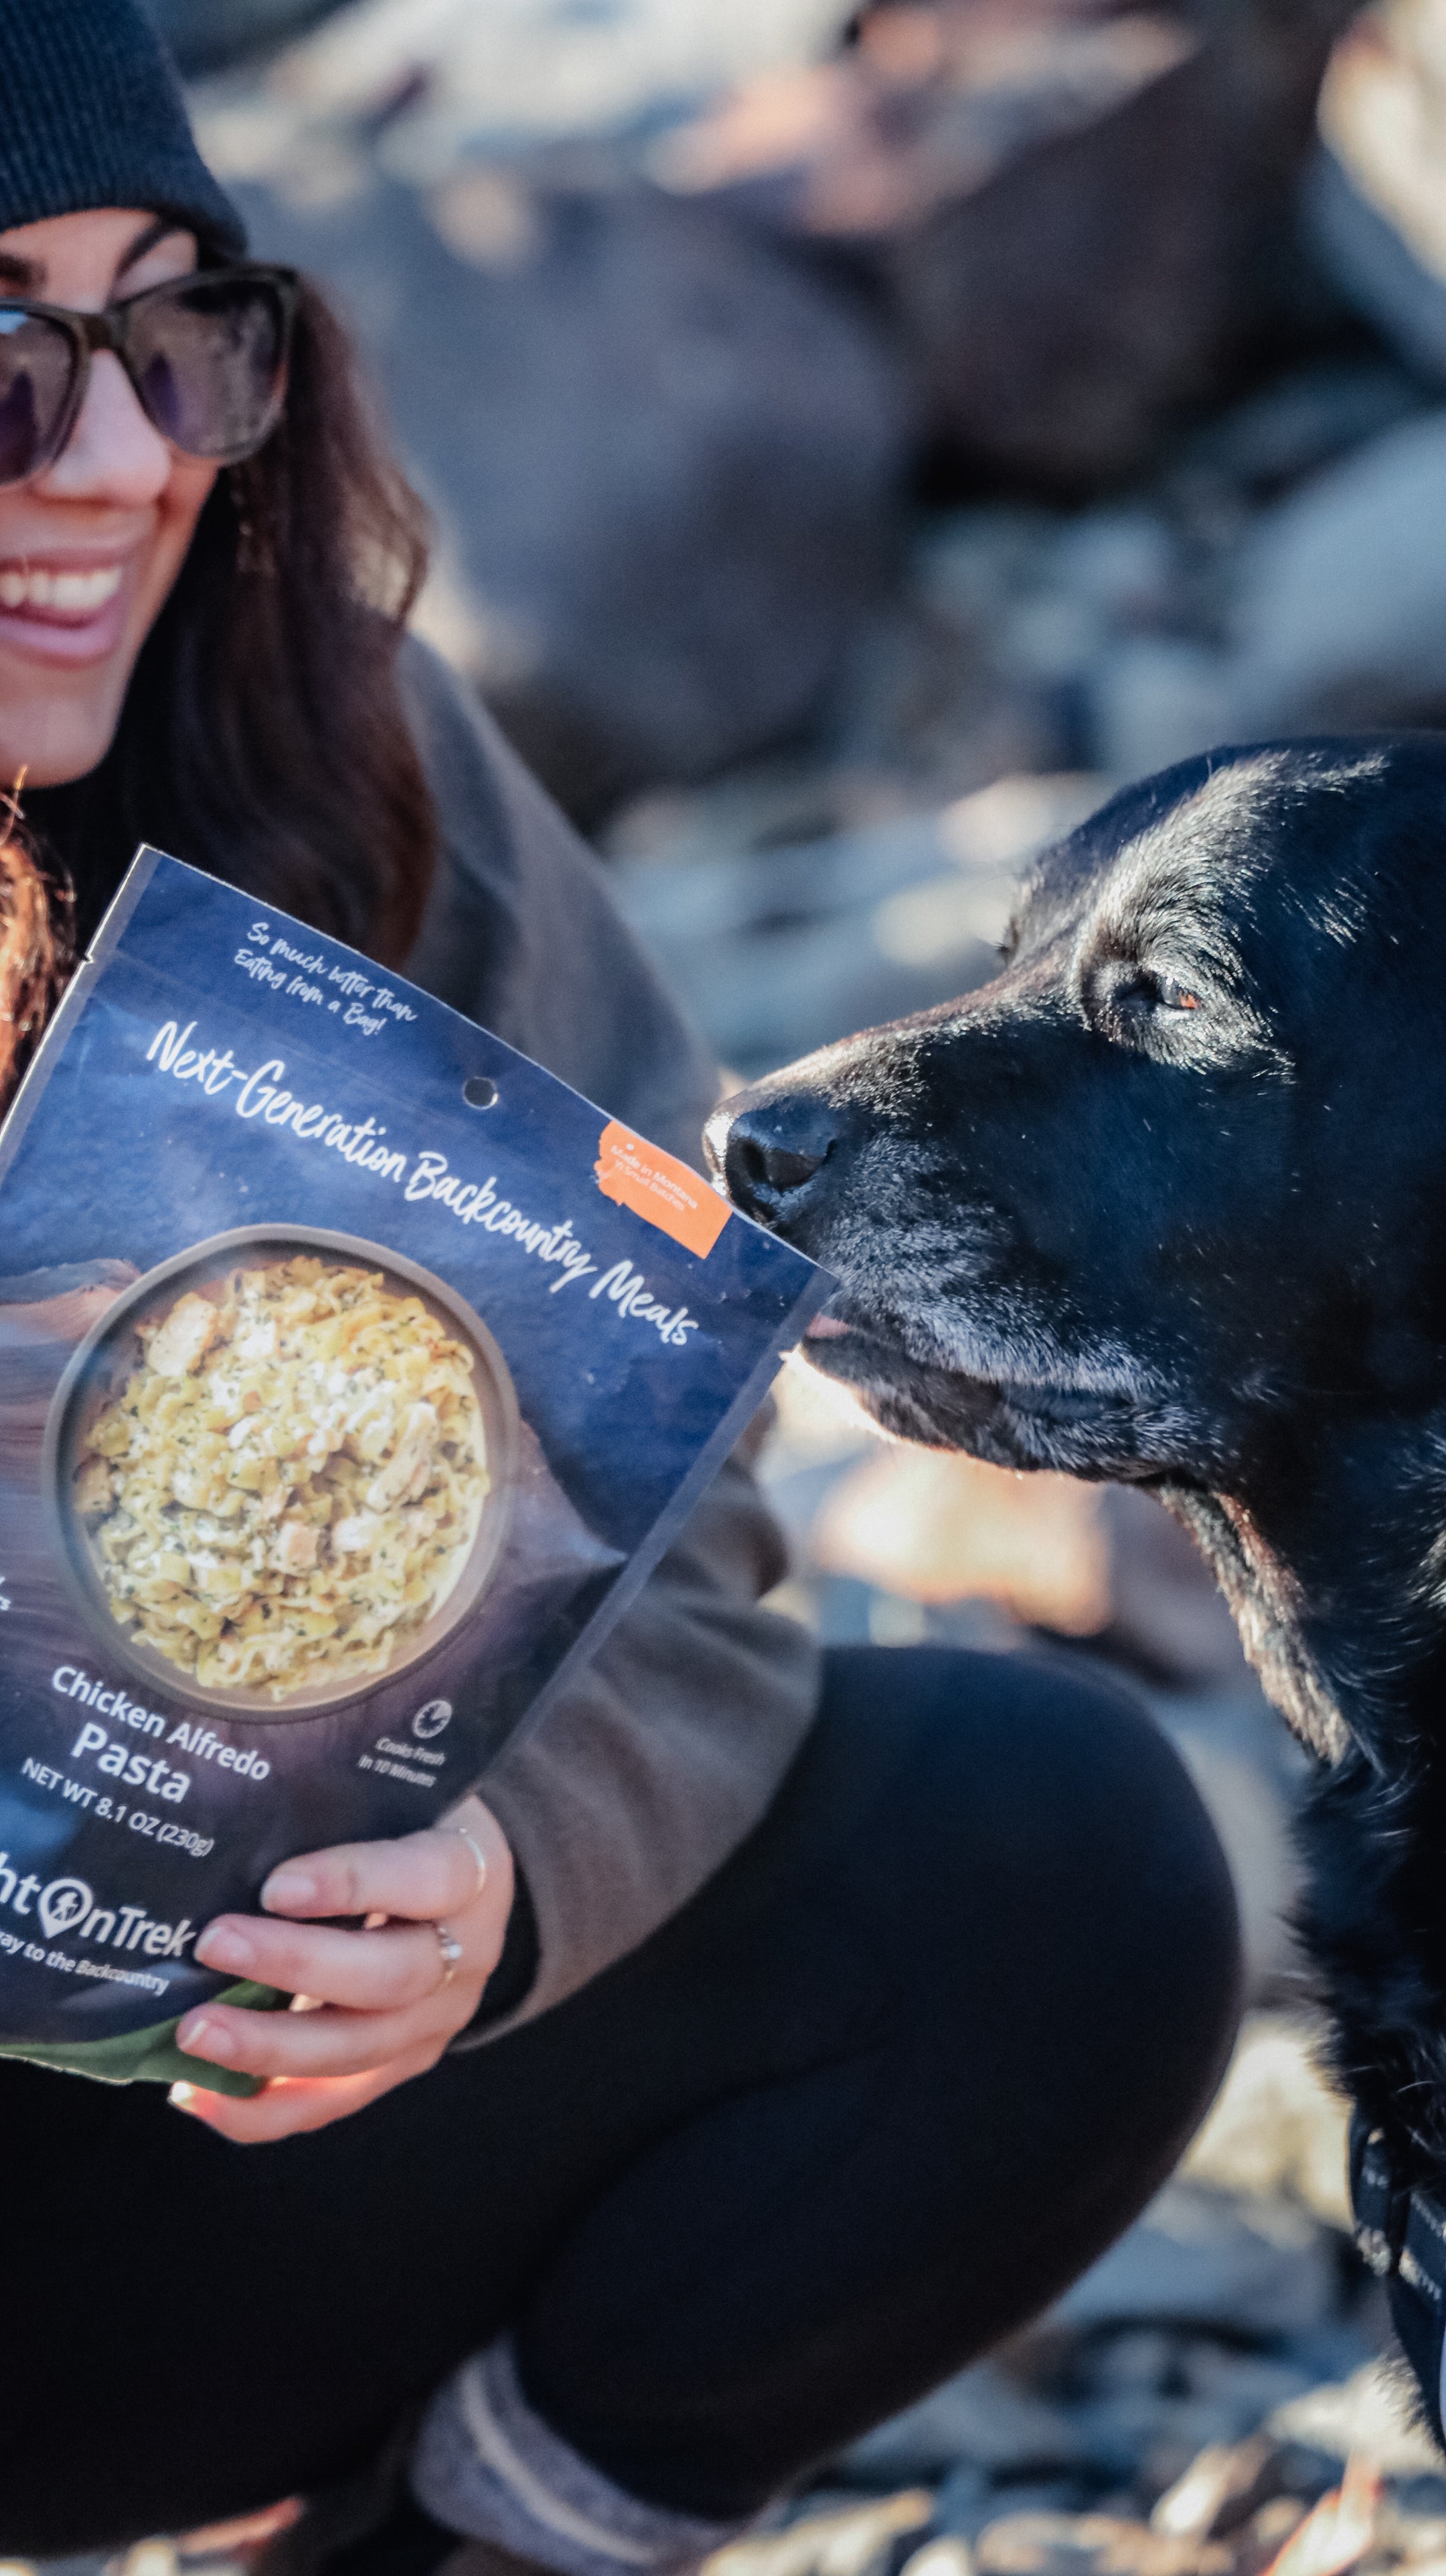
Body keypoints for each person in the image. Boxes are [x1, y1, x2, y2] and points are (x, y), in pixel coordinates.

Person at [0, 6, 1242, 2568]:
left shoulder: (325, 746)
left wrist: (507, 1884)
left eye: (169, 333)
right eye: (1, 365)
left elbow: (654, 1490)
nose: (119, 464)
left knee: (1045, 1873)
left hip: (143, 2155)